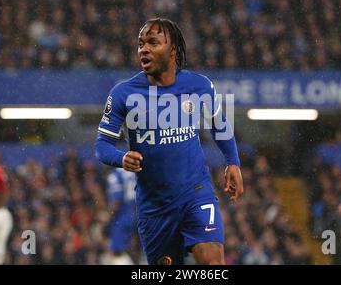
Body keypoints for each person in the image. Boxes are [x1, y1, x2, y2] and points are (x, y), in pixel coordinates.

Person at [95, 18, 243, 265]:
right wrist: (120, 158)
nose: (144, 49)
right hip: (154, 206)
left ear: (172, 50)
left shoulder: (198, 85)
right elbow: (102, 146)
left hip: (196, 193)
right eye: (141, 44)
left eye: (153, 42)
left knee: (212, 262)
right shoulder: (123, 93)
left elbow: (219, 125)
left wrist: (233, 162)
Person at [102, 168, 138, 265]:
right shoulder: (133, 170)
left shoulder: (115, 174)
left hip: (123, 217)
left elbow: (116, 202)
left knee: (115, 252)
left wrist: (107, 219)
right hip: (139, 214)